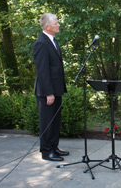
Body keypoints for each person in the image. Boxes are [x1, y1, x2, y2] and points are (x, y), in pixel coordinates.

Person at [33, 13, 69, 162]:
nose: (59, 24)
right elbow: (42, 71)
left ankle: (54, 146)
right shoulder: (41, 43)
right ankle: (46, 151)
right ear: (47, 26)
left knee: (55, 121)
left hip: (56, 88)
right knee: (47, 122)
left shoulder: (53, 40)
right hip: (47, 91)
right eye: (56, 23)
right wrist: (49, 93)